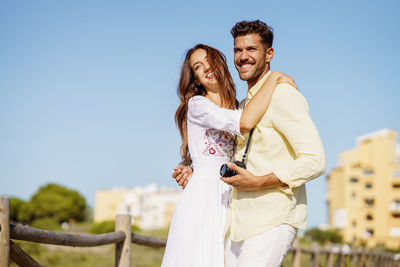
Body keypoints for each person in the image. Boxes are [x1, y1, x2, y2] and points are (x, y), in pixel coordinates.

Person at [173, 20, 326, 267]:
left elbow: (315, 160)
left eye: (251, 50)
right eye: (238, 50)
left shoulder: (282, 94)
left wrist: (260, 181)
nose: (243, 57)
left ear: (269, 54)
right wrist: (197, 170)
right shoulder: (242, 107)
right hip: (235, 223)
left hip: (271, 218)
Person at [161, 44, 296, 267]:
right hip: (204, 197)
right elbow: (245, 123)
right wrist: (274, 78)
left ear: (219, 63)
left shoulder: (236, 107)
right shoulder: (198, 105)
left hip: (232, 197)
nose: (205, 69)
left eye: (208, 61)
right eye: (197, 67)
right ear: (195, 79)